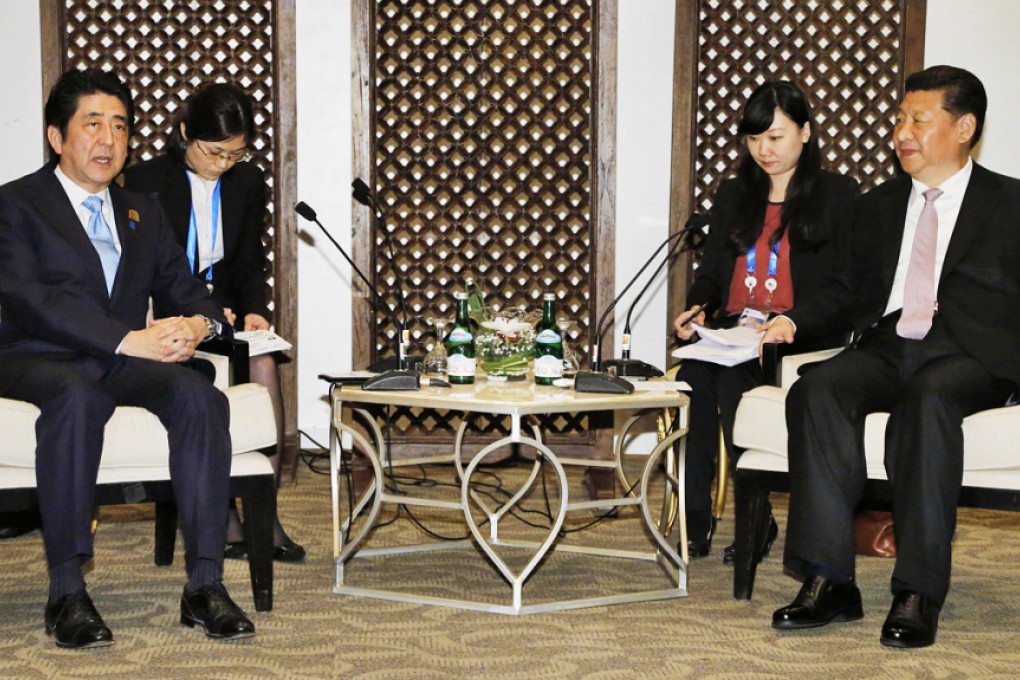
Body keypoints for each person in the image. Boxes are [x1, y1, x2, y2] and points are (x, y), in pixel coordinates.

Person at [764, 66, 1020, 648]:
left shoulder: (1009, 203)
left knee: (927, 401)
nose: (902, 132)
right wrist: (793, 320)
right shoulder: (876, 205)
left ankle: (917, 591)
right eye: (900, 119)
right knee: (817, 388)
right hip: (890, 343)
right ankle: (829, 580)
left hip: (969, 353)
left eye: (918, 120)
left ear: (964, 127)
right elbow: (846, 293)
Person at [0, 68, 256, 648]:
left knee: (200, 395)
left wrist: (196, 323)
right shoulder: (16, 205)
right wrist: (127, 340)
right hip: (32, 354)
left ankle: (205, 584)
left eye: (119, 126)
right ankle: (66, 591)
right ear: (56, 137)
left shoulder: (141, 211)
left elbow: (190, 293)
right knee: (76, 394)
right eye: (92, 124)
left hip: (117, 357)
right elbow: (31, 300)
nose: (108, 141)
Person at [672, 81, 858, 562]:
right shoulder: (735, 193)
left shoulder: (837, 194)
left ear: (806, 133)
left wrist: (792, 321)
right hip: (734, 332)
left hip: (793, 337)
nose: (764, 150)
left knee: (737, 386)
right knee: (691, 383)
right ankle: (695, 523)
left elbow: (845, 287)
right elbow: (712, 277)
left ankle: (755, 522)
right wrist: (697, 310)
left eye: (775, 137)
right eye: (754, 139)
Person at [123, 83, 304, 564]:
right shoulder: (144, 181)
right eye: (213, 151)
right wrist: (197, 311)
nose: (223, 163)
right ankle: (222, 513)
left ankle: (265, 508)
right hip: (167, 310)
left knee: (263, 360)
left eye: (235, 154)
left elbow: (248, 261)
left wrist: (254, 309)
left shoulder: (247, 182)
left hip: (224, 307)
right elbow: (142, 267)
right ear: (185, 133)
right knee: (208, 377)